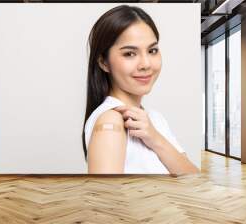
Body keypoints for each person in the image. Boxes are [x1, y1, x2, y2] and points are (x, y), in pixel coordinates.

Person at [82, 5, 199, 175]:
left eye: (152, 50)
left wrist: (155, 138)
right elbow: (106, 200)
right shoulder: (111, 120)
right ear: (104, 62)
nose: (146, 64)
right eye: (130, 53)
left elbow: (194, 180)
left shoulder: (154, 119)